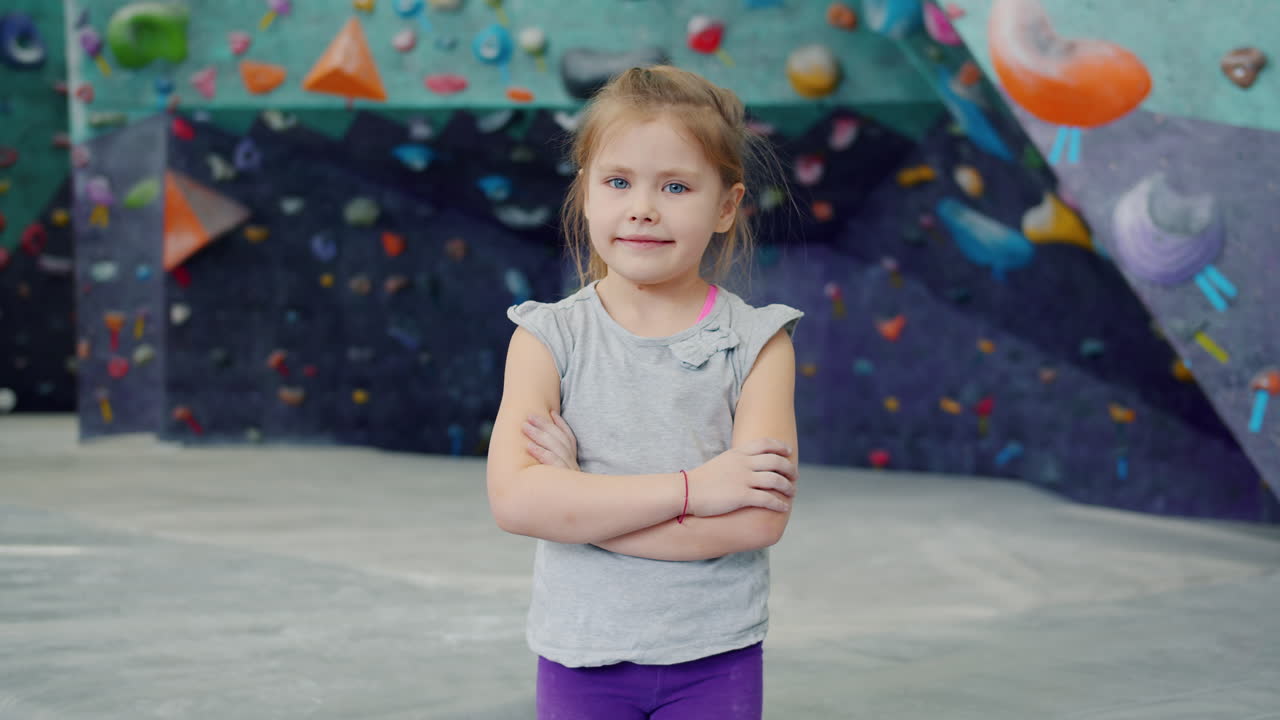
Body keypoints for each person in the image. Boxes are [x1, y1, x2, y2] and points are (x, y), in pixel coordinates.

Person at [486, 64, 804, 720]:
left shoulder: (759, 342)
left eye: (677, 186)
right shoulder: (548, 337)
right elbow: (517, 501)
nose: (642, 208)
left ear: (725, 206)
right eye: (618, 181)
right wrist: (696, 491)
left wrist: (583, 506)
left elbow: (758, 519)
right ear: (587, 193)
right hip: (582, 649)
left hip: (715, 655)